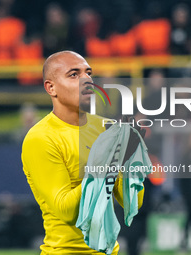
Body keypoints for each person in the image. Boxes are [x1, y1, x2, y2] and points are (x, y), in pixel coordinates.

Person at [21, 50, 144, 254]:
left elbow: (134, 203)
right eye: (74, 74)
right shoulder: (41, 138)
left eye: (89, 73)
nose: (87, 80)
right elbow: (66, 211)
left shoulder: (107, 127)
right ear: (51, 88)